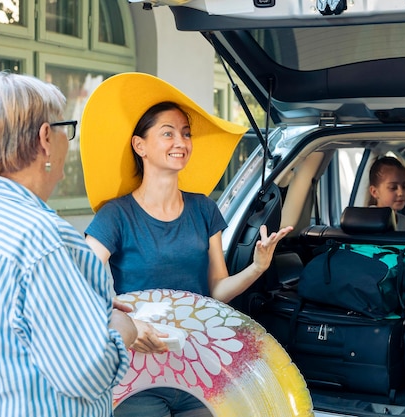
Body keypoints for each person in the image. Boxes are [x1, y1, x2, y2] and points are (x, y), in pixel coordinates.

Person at [80, 72, 293, 417]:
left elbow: (217, 292)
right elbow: (81, 284)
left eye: (186, 133)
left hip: (197, 367)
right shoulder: (115, 216)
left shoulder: (204, 209)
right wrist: (120, 324)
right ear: (140, 146)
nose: (181, 141)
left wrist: (258, 267)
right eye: (168, 133)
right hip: (136, 373)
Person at [0, 71, 137, 416]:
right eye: (66, 128)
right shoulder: (40, 238)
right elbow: (88, 370)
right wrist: (120, 327)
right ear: (44, 139)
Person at [368, 155, 405, 231]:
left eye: (404, 186)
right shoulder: (366, 220)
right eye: (393, 187)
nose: (401, 193)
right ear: (374, 192)